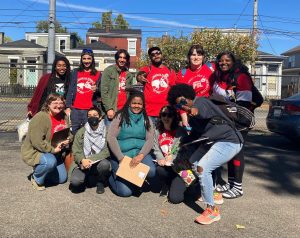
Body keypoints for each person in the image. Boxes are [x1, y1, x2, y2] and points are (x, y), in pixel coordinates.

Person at [167, 84, 243, 225]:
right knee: (194, 163)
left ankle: (212, 211)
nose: (182, 106)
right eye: (178, 106)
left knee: (203, 167)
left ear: (189, 96)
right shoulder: (192, 117)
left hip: (230, 141)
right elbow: (195, 134)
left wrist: (192, 110)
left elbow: (200, 111)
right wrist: (179, 146)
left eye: (183, 102)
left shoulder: (200, 102)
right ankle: (212, 193)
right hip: (212, 140)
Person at [212, 51, 253, 199]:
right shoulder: (220, 76)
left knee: (236, 151)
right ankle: (230, 183)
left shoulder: (241, 77)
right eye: (221, 60)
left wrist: (233, 120)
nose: (223, 63)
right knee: (229, 152)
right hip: (226, 120)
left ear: (233, 61)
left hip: (240, 120)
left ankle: (238, 187)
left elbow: (244, 103)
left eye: (227, 60)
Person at [107, 89, 156, 197]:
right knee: (125, 192)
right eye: (134, 103)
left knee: (151, 171)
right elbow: (111, 137)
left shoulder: (147, 119)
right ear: (129, 103)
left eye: (139, 103)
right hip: (122, 155)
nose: (136, 106)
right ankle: (112, 177)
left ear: (143, 105)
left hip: (139, 153)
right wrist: (120, 158)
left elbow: (150, 139)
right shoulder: (120, 116)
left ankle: (134, 180)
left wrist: (141, 155)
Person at [21, 93, 71, 191]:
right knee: (49, 162)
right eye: (55, 102)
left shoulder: (64, 115)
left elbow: (69, 132)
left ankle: (43, 169)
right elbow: (37, 142)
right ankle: (36, 178)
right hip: (38, 151)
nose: (59, 105)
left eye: (61, 103)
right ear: (48, 104)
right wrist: (52, 150)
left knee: (62, 179)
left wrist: (68, 140)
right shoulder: (41, 117)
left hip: (56, 151)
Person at [153, 105, 194, 203]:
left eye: (169, 115)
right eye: (164, 114)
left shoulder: (181, 131)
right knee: (159, 169)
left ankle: (188, 185)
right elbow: (156, 148)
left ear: (174, 117)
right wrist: (160, 158)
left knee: (175, 199)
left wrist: (174, 157)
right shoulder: (157, 131)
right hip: (168, 166)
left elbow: (185, 151)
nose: (166, 118)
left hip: (180, 168)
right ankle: (168, 183)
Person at [69, 107, 111, 194]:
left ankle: (100, 182)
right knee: (75, 182)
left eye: (95, 115)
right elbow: (76, 149)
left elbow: (107, 151)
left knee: (105, 164)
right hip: (83, 162)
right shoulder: (81, 131)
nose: (92, 117)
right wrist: (82, 160)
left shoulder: (106, 131)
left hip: (98, 161)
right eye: (89, 116)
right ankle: (87, 176)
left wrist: (90, 160)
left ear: (100, 117)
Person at [176, 44, 214, 131]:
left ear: (203, 57)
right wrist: (185, 120)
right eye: (193, 55)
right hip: (191, 114)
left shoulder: (211, 68)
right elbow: (179, 101)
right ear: (189, 57)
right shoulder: (182, 74)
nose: (196, 57)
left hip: (209, 112)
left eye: (199, 54)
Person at [65, 48, 101, 135]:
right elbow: (70, 90)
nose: (86, 61)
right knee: (74, 132)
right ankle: (74, 148)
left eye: (89, 59)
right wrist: (68, 106)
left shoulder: (98, 74)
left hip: (89, 109)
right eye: (84, 59)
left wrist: (97, 89)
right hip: (75, 109)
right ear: (81, 59)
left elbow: (102, 91)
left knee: (88, 133)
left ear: (92, 60)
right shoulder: (75, 72)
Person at [136, 46, 176, 122]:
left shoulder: (170, 71)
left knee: (164, 134)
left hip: (165, 113)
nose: (156, 55)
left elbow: (174, 90)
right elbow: (140, 74)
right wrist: (140, 77)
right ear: (150, 58)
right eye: (153, 55)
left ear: (161, 54)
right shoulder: (147, 69)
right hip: (149, 113)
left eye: (158, 53)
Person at [100, 49, 133, 124]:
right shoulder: (108, 71)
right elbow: (104, 91)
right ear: (116, 59)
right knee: (110, 134)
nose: (122, 60)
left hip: (125, 110)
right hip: (113, 110)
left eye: (124, 58)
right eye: (120, 57)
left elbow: (130, 94)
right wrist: (109, 109)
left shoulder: (129, 75)